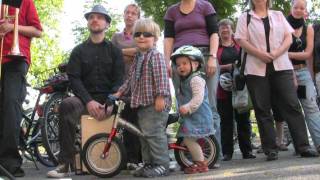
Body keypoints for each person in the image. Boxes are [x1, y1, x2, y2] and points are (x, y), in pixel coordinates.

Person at [234, 0, 318, 161]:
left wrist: (277, 53)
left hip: (282, 65)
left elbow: (288, 37)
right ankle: (270, 149)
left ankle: (303, 146)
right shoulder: (245, 17)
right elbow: (241, 40)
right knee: (262, 108)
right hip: (255, 68)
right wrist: (260, 54)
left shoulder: (278, 15)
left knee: (292, 105)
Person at [47, 5, 124, 178]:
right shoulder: (78, 51)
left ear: (107, 24)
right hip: (84, 100)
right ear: (88, 23)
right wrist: (89, 101)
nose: (94, 19)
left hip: (110, 100)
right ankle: (64, 164)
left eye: (99, 17)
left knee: (134, 103)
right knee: (67, 105)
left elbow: (119, 80)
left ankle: (133, 160)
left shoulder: (115, 52)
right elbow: (74, 79)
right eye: (91, 17)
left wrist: (110, 102)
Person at [164, 0, 222, 164]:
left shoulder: (205, 6)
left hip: (203, 57)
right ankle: (192, 155)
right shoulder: (172, 11)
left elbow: (214, 33)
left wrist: (212, 57)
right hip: (180, 61)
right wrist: (167, 62)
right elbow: (168, 38)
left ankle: (213, 154)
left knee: (209, 105)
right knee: (185, 105)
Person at [114, 18, 171, 178]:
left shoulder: (155, 56)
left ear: (155, 38)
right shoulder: (138, 58)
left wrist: (161, 97)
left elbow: (161, 78)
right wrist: (119, 93)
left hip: (155, 104)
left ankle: (161, 164)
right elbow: (130, 79)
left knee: (154, 134)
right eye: (137, 34)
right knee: (144, 136)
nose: (141, 37)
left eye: (147, 34)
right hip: (143, 104)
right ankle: (148, 163)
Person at [0, 0, 42, 177]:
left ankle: (9, 162)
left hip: (16, 59)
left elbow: (37, 31)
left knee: (10, 104)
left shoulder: (24, 1)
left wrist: (11, 26)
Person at [171, 45, 214, 174]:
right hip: (191, 117)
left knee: (189, 139)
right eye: (178, 65)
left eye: (184, 63)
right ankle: (197, 162)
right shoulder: (185, 80)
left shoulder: (196, 79)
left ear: (195, 64)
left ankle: (201, 164)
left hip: (198, 116)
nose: (180, 67)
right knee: (187, 139)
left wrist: (188, 107)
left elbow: (198, 98)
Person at [216, 19, 256, 161]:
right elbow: (212, 66)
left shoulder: (239, 43)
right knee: (225, 121)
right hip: (222, 88)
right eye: (221, 28)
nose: (225, 30)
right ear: (219, 32)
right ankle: (227, 152)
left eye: (227, 27)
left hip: (240, 87)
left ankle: (247, 151)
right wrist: (226, 66)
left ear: (232, 29)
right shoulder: (216, 47)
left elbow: (247, 59)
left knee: (243, 119)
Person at [111, 3, 142, 170]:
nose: (129, 16)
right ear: (123, 15)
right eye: (127, 13)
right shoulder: (116, 37)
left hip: (138, 82)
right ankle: (126, 158)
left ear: (138, 17)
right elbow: (110, 54)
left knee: (136, 120)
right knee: (121, 121)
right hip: (120, 82)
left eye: (133, 13)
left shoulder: (141, 34)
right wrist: (131, 51)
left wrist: (121, 52)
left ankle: (137, 158)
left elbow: (142, 50)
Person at [287, 0, 320, 153]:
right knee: (293, 110)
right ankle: (301, 146)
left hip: (303, 72)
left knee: (311, 107)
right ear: (291, 8)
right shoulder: (283, 26)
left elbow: (308, 54)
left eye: (302, 8)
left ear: (305, 10)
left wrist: (287, 54)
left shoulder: (309, 29)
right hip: (286, 72)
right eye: (296, 7)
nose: (299, 10)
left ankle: (319, 143)